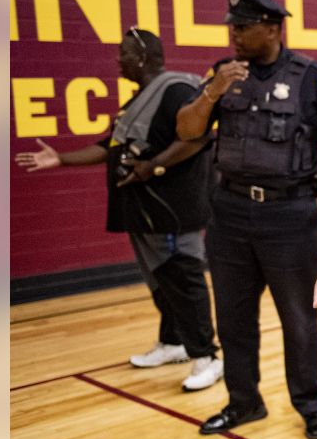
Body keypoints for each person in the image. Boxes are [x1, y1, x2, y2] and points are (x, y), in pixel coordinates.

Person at [177, 0, 317, 439]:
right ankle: (244, 402)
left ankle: (312, 405)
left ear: (273, 28)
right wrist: (212, 93)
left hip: (289, 216)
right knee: (233, 315)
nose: (234, 35)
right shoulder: (223, 75)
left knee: (299, 318)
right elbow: (187, 128)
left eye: (243, 27)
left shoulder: (312, 77)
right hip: (230, 213)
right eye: (232, 27)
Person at [15, 28, 223, 391]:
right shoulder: (137, 100)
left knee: (184, 279)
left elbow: (199, 138)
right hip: (142, 212)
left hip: (171, 211)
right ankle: (173, 342)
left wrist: (152, 166)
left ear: (142, 57)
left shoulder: (175, 90)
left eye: (123, 53)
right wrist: (60, 159)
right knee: (161, 279)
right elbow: (108, 146)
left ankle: (207, 356)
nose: (118, 60)